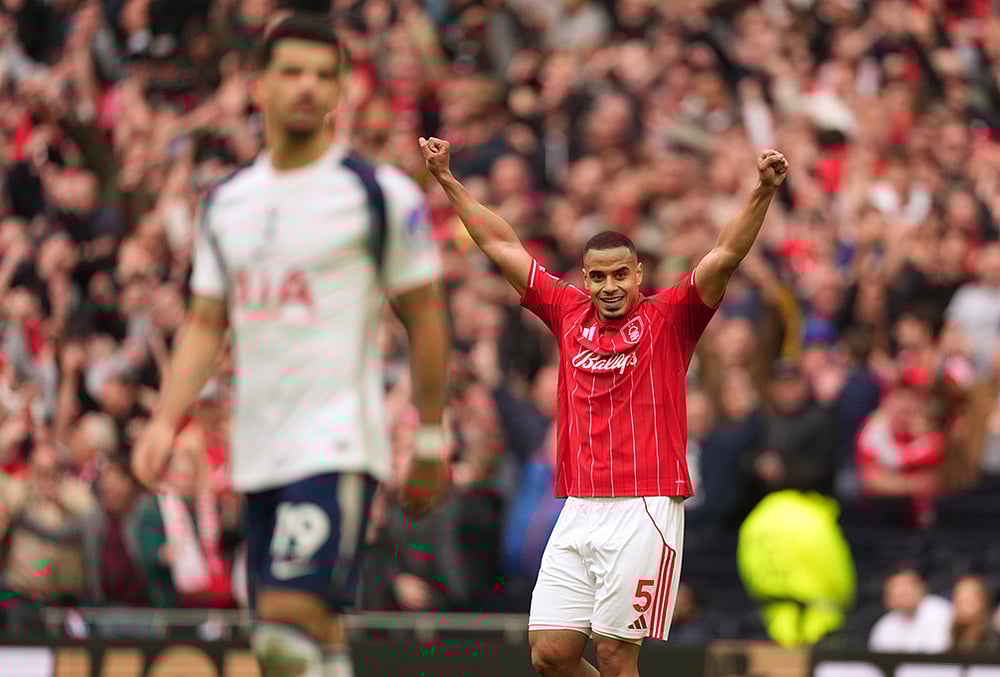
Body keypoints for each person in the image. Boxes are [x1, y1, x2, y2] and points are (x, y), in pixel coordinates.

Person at [132, 13, 451, 677]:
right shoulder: (227, 203)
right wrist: (166, 419)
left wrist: (427, 435)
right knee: (302, 642)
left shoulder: (378, 195)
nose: (307, 87)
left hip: (337, 440)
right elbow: (203, 321)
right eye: (292, 72)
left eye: (322, 74)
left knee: (285, 623)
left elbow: (425, 316)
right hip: (257, 448)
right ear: (258, 87)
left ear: (341, 91)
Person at [420, 136, 788, 676]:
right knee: (551, 655)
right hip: (579, 504)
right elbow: (502, 246)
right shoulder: (567, 312)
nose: (610, 286)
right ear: (584, 277)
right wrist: (448, 180)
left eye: (621, 274)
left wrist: (762, 190)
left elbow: (725, 254)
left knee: (617, 658)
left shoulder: (670, 318)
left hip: (645, 504)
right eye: (598, 276)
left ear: (639, 273)